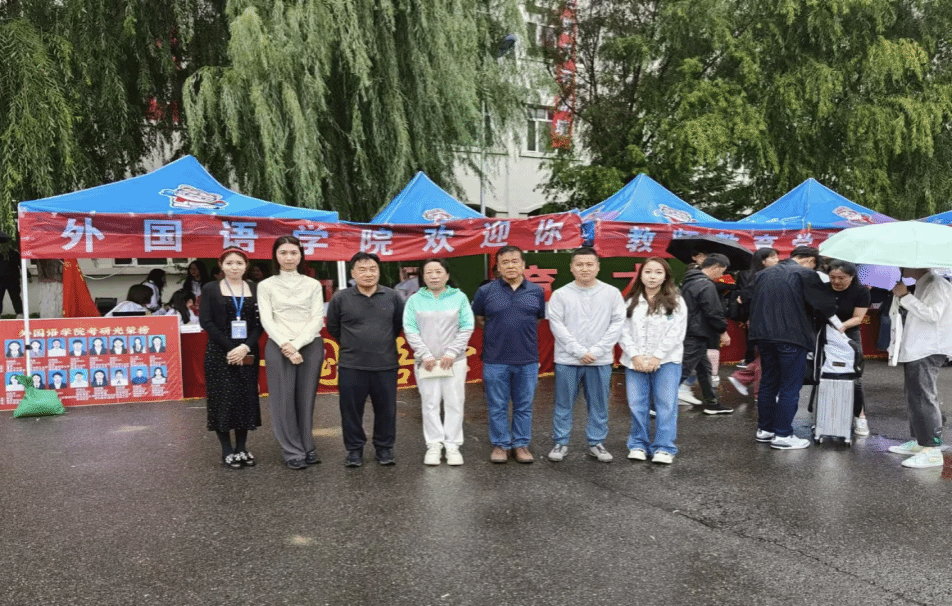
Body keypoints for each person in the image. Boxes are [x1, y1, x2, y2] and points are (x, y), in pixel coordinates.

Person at [748, 246, 838, 450]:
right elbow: (825, 306)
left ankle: (765, 429)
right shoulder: (806, 274)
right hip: (792, 336)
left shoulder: (763, 274)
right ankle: (783, 434)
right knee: (790, 386)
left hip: (763, 335)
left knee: (768, 382)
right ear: (810, 261)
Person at [546, 248, 625, 463]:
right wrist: (578, 351)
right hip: (567, 359)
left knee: (599, 404)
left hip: (600, 360)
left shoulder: (611, 293)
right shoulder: (561, 294)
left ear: (598, 267)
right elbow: (557, 326)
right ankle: (561, 442)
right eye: (579, 264)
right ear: (571, 268)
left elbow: (617, 324)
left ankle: (596, 442)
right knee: (563, 404)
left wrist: (597, 351)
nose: (584, 269)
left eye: (589, 264)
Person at [326, 252, 404, 467]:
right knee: (351, 411)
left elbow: (397, 326)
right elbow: (333, 327)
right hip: (352, 364)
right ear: (353, 273)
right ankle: (354, 450)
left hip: (385, 364)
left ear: (379, 271)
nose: (368, 274)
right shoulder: (341, 298)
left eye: (372, 269)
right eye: (362, 269)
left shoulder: (393, 296)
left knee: (386, 410)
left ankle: (384, 448)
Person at [471, 245, 546, 464]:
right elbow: (480, 318)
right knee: (497, 405)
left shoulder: (536, 291)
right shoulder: (486, 291)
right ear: (498, 267)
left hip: (527, 359)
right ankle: (501, 444)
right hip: (495, 359)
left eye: (515, 261)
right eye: (505, 262)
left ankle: (521, 444)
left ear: (523, 265)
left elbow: (537, 318)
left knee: (524, 405)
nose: (510, 266)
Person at [257, 236, 326, 470]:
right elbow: (267, 319)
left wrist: (297, 344)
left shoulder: (312, 284)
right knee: (283, 400)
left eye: (294, 253)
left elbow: (317, 318)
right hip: (279, 346)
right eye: (283, 253)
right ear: (275, 255)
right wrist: (287, 345)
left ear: (301, 255)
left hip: (310, 345)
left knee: (306, 400)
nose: (289, 258)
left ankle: (307, 446)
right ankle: (292, 450)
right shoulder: (266, 285)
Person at [403, 258, 475, 466]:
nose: (434, 276)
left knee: (454, 403)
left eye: (438, 271)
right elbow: (410, 329)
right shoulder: (414, 300)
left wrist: (452, 352)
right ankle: (434, 445)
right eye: (429, 272)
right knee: (430, 403)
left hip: (454, 361)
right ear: (422, 276)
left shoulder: (459, 297)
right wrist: (425, 354)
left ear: (447, 274)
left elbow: (466, 326)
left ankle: (453, 446)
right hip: (426, 362)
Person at [619, 257, 688, 464]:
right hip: (635, 361)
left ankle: (664, 447)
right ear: (640, 275)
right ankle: (638, 444)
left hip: (666, 361)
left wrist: (657, 356)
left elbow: (677, 332)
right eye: (648, 272)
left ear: (665, 276)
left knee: (666, 405)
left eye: (658, 272)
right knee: (637, 404)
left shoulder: (676, 301)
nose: (652, 276)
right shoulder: (630, 301)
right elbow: (622, 331)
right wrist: (635, 355)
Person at [199, 247, 263, 470]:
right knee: (223, 399)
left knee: (245, 398)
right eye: (229, 263)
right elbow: (206, 321)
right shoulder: (210, 288)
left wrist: (244, 347)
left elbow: (260, 323)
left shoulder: (255, 288)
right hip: (219, 352)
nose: (234, 267)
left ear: (246, 266)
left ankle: (242, 447)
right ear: (221, 265)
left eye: (239, 263)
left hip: (247, 350)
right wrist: (231, 347)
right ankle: (227, 450)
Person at [886, 267, 952, 468]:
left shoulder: (936, 284)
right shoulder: (926, 283)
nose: (901, 266)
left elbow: (933, 315)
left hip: (928, 348)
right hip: (919, 347)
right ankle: (920, 442)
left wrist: (905, 296)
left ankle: (932, 449)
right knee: (915, 396)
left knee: (923, 397)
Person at [678, 254, 732, 415]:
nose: (721, 275)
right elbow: (713, 311)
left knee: (704, 369)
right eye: (722, 271)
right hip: (696, 332)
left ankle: (712, 403)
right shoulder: (706, 285)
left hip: (690, 330)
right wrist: (722, 331)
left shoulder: (689, 280)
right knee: (683, 370)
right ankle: (654, 404)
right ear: (715, 267)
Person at [826, 260, 871, 436]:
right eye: (832, 277)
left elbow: (858, 317)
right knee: (824, 373)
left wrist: (842, 327)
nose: (836, 281)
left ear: (851, 276)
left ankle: (860, 417)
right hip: (825, 334)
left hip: (849, 335)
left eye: (841, 278)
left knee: (854, 377)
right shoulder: (823, 288)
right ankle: (825, 415)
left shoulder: (861, 292)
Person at [727, 248, 780, 398]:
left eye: (777, 257)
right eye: (773, 257)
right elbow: (744, 296)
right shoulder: (761, 276)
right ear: (763, 261)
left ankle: (743, 379)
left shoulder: (762, 275)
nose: (777, 260)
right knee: (766, 356)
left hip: (762, 321)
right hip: (762, 322)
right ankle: (759, 391)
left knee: (765, 356)